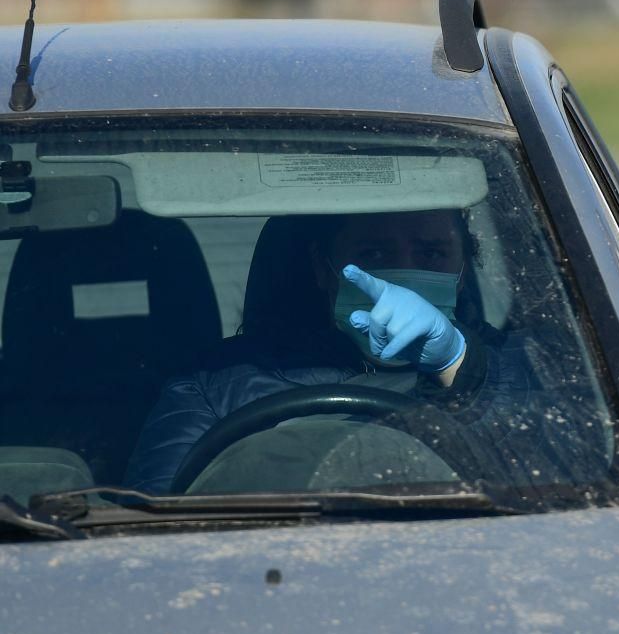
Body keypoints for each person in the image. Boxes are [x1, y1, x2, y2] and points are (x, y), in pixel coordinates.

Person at [125, 209, 583, 495]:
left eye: (431, 254)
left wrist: (459, 366)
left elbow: (568, 484)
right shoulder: (212, 390)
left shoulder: (529, 369)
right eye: (375, 254)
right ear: (322, 270)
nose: (404, 274)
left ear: (462, 271)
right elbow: (157, 530)